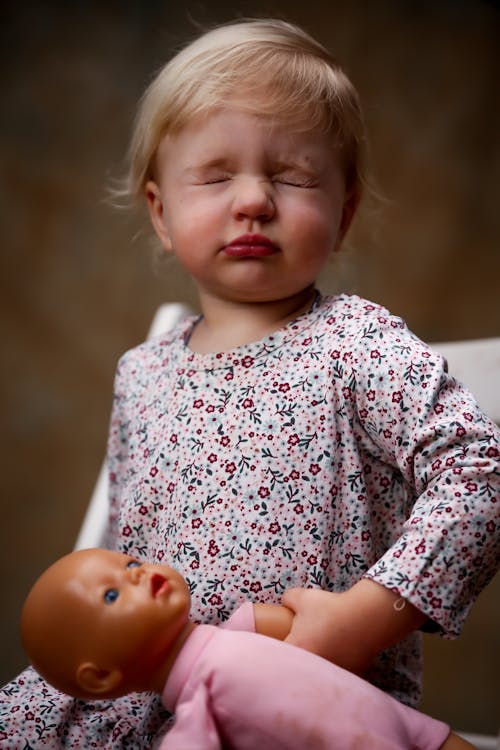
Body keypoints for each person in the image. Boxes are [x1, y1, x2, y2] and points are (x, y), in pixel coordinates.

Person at [1, 17, 498, 748]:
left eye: (293, 176)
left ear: (344, 210)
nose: (254, 200)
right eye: (215, 174)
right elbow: (121, 547)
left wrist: (362, 619)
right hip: (150, 698)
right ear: (160, 212)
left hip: (302, 702)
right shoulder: (142, 374)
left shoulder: (354, 344)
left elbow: (482, 474)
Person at [21, 547, 475, 750]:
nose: (137, 575)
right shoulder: (199, 710)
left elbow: (306, 628)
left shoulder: (240, 628)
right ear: (100, 677)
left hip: (417, 732)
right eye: (112, 596)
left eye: (131, 563)